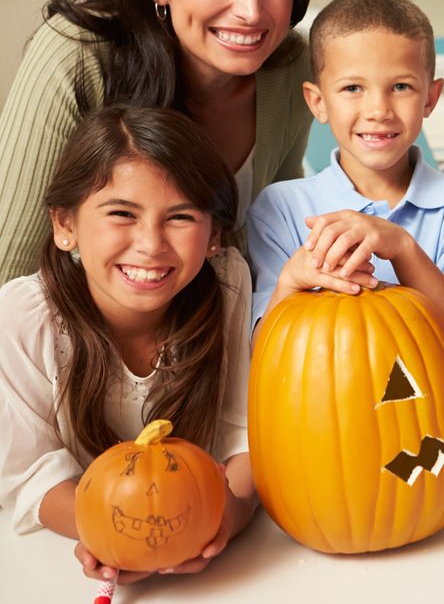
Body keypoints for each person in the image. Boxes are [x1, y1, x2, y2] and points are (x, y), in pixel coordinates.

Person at [0, 0, 315, 284]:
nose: (250, 9)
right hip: (74, 343)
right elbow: (9, 268)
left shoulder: (292, 67)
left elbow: (272, 242)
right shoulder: (76, 55)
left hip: (225, 336)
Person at [0, 106, 256, 585]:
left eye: (180, 217)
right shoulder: (21, 317)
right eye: (122, 213)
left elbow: (242, 432)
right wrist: (111, 536)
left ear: (214, 236)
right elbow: (29, 472)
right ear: (64, 224)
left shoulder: (229, 285)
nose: (150, 244)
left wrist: (230, 517)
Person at [247, 0, 444, 457]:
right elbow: (265, 358)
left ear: (431, 97)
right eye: (352, 88)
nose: (379, 109)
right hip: (327, 452)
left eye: (401, 86)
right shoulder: (280, 209)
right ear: (317, 101)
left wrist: (402, 248)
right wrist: (292, 281)